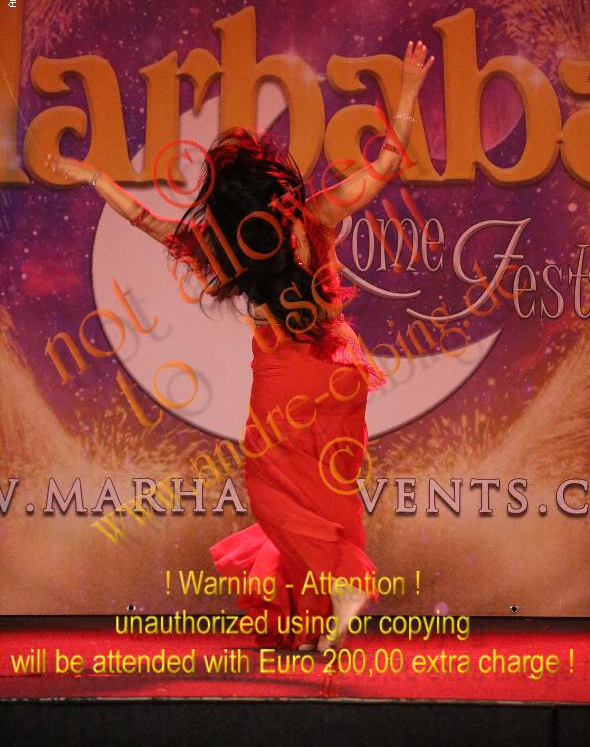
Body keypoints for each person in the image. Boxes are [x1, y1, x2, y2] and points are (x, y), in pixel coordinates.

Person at [48, 39, 434, 651]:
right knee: (324, 495)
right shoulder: (314, 215)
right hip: (341, 374)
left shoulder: (222, 247)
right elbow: (386, 164)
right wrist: (409, 90)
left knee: (273, 493)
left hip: (285, 380)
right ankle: (313, 622)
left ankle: (341, 584)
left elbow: (150, 223)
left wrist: (96, 177)